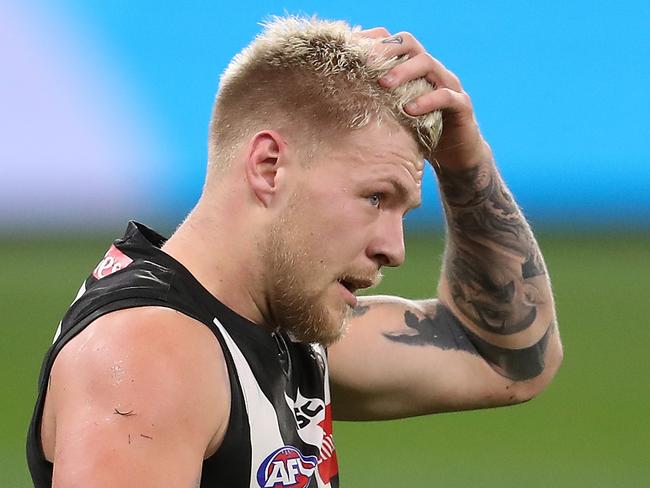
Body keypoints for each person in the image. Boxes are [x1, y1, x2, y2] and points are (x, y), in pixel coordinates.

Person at [27, 16, 563, 488]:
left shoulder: (274, 321)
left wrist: (466, 164)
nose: (393, 249)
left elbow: (506, 359)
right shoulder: (149, 357)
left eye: (403, 211)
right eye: (375, 197)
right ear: (269, 167)